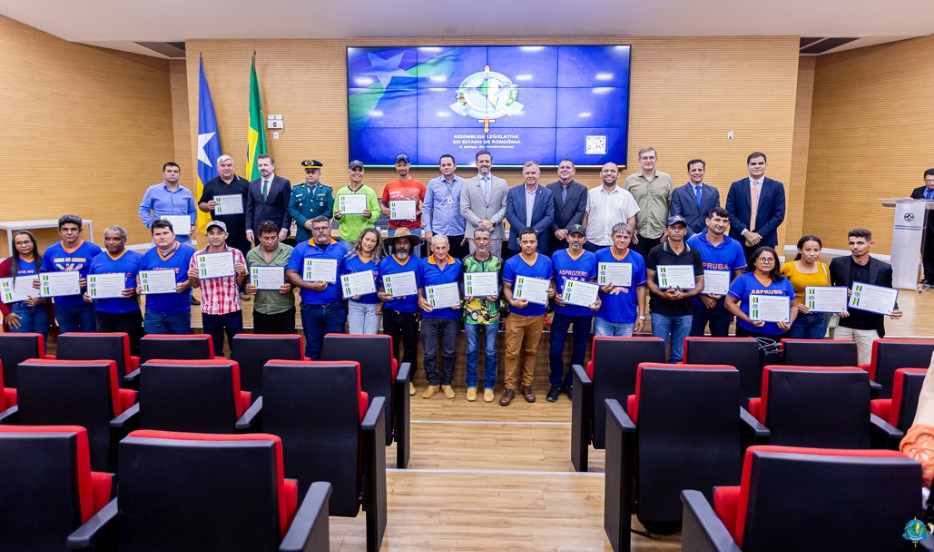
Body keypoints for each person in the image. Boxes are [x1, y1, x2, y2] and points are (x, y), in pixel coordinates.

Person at [830, 228, 903, 364]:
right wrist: (840, 292)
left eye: (860, 243)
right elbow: (829, 287)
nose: (855, 247)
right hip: (842, 324)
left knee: (869, 365)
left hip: (870, 325)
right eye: (851, 243)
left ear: (871, 243)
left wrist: (894, 309)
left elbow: (888, 290)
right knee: (838, 363)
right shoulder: (837, 263)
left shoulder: (883, 268)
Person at [501, 228, 555, 406]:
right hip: (516, 315)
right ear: (520, 243)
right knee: (511, 353)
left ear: (537, 242)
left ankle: (527, 385)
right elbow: (507, 288)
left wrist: (551, 292)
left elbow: (549, 285)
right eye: (525, 242)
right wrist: (513, 302)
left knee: (531, 352)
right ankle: (509, 388)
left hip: (537, 315)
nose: (529, 245)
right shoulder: (511, 263)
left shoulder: (546, 262)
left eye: (532, 242)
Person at [549, 224, 600, 402]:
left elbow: (593, 282)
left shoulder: (592, 257)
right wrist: (554, 294)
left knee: (579, 351)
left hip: (583, 312)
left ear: (585, 240)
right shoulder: (557, 255)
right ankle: (555, 383)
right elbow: (552, 279)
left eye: (580, 237)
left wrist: (596, 299)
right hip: (562, 310)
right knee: (555, 350)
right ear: (567, 238)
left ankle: (571, 383)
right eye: (573, 236)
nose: (576, 240)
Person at [286, 216, 348, 360]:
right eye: (317, 228)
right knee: (313, 348)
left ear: (330, 229)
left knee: (334, 349)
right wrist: (310, 286)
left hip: (335, 308)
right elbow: (290, 273)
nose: (321, 231)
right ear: (312, 230)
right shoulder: (301, 248)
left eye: (324, 228)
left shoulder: (341, 249)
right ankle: (313, 381)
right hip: (310, 308)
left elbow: (346, 275)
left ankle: (333, 382)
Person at [645, 215, 704, 363]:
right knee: (657, 353)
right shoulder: (656, 252)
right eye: (673, 228)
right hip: (660, 310)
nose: (677, 231)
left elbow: (700, 284)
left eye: (680, 228)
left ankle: (674, 385)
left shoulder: (694, 254)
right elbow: (649, 281)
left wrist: (684, 295)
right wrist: (663, 294)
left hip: (685, 311)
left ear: (685, 231)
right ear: (667, 230)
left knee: (679, 355)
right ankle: (656, 383)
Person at [188, 221, 247, 357]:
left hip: (232, 309)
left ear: (226, 235)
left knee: (238, 350)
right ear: (207, 235)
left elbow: (239, 283)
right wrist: (191, 276)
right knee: (214, 353)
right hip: (209, 311)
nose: (215, 236)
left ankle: (238, 376)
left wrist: (243, 273)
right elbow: (195, 285)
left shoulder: (236, 254)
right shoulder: (197, 257)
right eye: (212, 233)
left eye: (219, 233)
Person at [686, 207, 747, 337]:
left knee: (720, 343)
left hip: (723, 305)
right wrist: (702, 295)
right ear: (707, 221)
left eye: (725, 221)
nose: (721, 224)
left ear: (728, 224)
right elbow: (686, 273)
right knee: (693, 341)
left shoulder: (735, 246)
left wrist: (726, 293)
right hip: (696, 303)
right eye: (717, 220)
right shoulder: (692, 242)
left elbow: (739, 274)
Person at [38, 214, 103, 333]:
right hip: (61, 305)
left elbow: (100, 275)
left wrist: (88, 283)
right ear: (59, 231)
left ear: (80, 230)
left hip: (86, 304)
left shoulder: (93, 250)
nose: (69, 233)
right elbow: (45, 275)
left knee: (90, 338)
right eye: (65, 229)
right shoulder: (51, 251)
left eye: (73, 229)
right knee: (69, 339)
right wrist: (40, 283)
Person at [84, 226, 144, 354]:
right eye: (107, 239)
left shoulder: (138, 258)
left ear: (124, 239)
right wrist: (87, 295)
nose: (111, 242)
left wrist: (135, 290)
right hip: (103, 313)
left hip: (129, 312)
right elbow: (91, 286)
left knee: (133, 349)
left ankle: (133, 374)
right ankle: (110, 374)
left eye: (116, 239)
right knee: (106, 349)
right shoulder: (96, 260)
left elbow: (144, 285)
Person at [378, 228, 423, 395]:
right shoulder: (385, 263)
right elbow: (381, 286)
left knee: (410, 348)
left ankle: (408, 380)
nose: (402, 246)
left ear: (410, 245)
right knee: (392, 347)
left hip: (410, 311)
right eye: (399, 243)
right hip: (390, 311)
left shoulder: (418, 262)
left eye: (405, 243)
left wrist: (420, 306)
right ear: (394, 245)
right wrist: (381, 295)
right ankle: (393, 378)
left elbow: (420, 287)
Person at [460, 225, 502, 403]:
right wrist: (464, 293)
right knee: (471, 350)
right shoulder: (466, 261)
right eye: (479, 239)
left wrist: (497, 293)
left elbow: (502, 284)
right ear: (473, 240)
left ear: (491, 241)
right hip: (471, 313)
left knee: (491, 351)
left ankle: (489, 386)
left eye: (485, 239)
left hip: (492, 313)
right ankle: (471, 384)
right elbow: (460, 283)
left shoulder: (498, 262)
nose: (482, 242)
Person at [417, 235, 462, 399]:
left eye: (444, 247)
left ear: (449, 247)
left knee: (449, 352)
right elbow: (419, 286)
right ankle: (433, 383)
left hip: (451, 315)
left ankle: (447, 383)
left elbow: (462, 286)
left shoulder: (456, 263)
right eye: (437, 248)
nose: (441, 251)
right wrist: (420, 299)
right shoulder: (423, 264)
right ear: (431, 248)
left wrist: (460, 300)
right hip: (429, 315)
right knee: (429, 353)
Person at [725, 246, 797, 339]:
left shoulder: (783, 281)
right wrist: (749, 320)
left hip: (778, 333)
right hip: (748, 330)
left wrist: (789, 323)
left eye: (770, 259)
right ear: (755, 262)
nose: (766, 262)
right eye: (762, 259)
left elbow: (794, 306)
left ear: (775, 262)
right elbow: (728, 303)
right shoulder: (744, 279)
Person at [137, 220, 196, 334]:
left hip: (179, 312)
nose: (162, 237)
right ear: (153, 237)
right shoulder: (147, 255)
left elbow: (196, 281)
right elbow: (140, 276)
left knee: (180, 347)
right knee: (156, 348)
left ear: (173, 234)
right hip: (153, 312)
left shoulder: (188, 252)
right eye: (157, 234)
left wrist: (186, 284)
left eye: (165, 233)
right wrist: (139, 286)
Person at [726, 152, 786, 261]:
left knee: (763, 274)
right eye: (753, 164)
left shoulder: (777, 186)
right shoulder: (736, 186)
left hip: (766, 239)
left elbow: (778, 215)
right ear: (748, 166)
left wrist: (757, 235)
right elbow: (730, 213)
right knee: (738, 274)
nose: (757, 166)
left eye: (760, 163)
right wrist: (746, 233)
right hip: (739, 239)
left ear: (766, 164)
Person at [594, 222, 647, 336]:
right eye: (618, 236)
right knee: (602, 352)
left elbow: (640, 287)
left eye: (626, 237)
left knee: (623, 353)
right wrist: (601, 289)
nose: (622, 240)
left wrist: (641, 315)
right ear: (612, 236)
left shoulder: (638, 258)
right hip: (604, 315)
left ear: (630, 238)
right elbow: (592, 281)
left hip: (627, 316)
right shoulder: (599, 255)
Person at [244, 220, 296, 334]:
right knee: (262, 348)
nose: (270, 242)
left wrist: (290, 286)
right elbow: (249, 277)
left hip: (284, 308)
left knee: (286, 348)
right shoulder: (251, 254)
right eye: (266, 238)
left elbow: (296, 275)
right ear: (259, 237)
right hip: (261, 309)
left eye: (273, 237)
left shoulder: (290, 251)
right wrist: (248, 286)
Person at [780, 235, 834, 339]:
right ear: (800, 250)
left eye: (816, 250)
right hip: (795, 317)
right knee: (794, 350)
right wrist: (794, 305)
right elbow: (778, 292)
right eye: (808, 250)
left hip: (818, 318)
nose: (812, 253)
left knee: (814, 351)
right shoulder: (787, 267)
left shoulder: (824, 267)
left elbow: (829, 290)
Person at [198, 154, 251, 258]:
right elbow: (201, 204)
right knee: (223, 259)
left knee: (242, 260)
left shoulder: (245, 184)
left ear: (233, 167)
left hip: (242, 232)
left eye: (229, 165)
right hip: (219, 233)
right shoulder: (210, 185)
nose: (226, 168)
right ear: (218, 168)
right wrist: (207, 206)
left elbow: (252, 205)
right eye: (223, 165)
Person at [625, 147, 673, 258]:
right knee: (639, 269)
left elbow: (671, 205)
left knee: (658, 269)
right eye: (644, 158)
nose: (648, 160)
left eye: (651, 157)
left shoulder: (666, 179)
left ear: (656, 159)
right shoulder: (630, 180)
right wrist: (630, 230)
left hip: (661, 234)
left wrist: (669, 229)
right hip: (637, 234)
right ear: (639, 160)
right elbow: (626, 207)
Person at [0, 230, 49, 338]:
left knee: (41, 344)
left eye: (27, 241)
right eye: (19, 243)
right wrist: (7, 313)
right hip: (18, 310)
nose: (23, 245)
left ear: (33, 243)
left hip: (40, 309)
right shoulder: (6, 264)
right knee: (21, 345)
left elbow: (53, 285)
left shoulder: (44, 261)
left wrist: (43, 299)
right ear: (14, 246)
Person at [460, 150, 509, 258]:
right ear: (477, 164)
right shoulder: (467, 184)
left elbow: (505, 206)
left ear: (491, 163)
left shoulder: (502, 183)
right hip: (474, 233)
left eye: (487, 161)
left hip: (495, 233)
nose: (484, 163)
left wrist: (491, 222)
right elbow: (464, 209)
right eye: (481, 161)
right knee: (474, 266)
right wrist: (482, 224)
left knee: (495, 266)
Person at [583, 162, 639, 252]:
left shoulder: (626, 195)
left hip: (616, 244)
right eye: (606, 171)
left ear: (618, 175)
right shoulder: (591, 194)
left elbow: (631, 219)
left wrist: (628, 237)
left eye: (613, 171)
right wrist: (583, 236)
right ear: (601, 174)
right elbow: (585, 217)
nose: (609, 173)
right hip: (592, 242)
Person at [139, 162, 197, 245]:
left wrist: (191, 224)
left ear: (179, 174)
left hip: (183, 239)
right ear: (163, 174)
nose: (172, 174)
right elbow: (143, 209)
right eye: (169, 171)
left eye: (175, 171)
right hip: (161, 238)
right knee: (159, 258)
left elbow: (192, 211)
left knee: (186, 258)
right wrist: (151, 224)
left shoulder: (187, 192)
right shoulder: (152, 190)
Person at [424, 154, 468, 260]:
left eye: (449, 164)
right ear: (440, 168)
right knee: (438, 263)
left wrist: (468, 230)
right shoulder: (433, 184)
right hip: (438, 232)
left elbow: (468, 208)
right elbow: (427, 207)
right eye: (443, 165)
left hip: (459, 232)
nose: (446, 167)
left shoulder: (464, 183)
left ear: (455, 166)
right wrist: (427, 230)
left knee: (458, 263)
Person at [505, 161, 555, 255]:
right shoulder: (513, 192)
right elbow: (509, 214)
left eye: (533, 173)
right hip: (517, 240)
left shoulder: (547, 193)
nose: (530, 175)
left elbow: (549, 216)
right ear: (523, 174)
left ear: (539, 174)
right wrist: (524, 233)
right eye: (527, 173)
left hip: (540, 240)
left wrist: (533, 233)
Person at [381, 153, 426, 256]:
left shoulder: (419, 185)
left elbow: (428, 205)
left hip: (414, 229)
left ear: (409, 165)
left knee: (415, 260)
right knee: (394, 260)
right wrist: (383, 209)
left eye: (404, 165)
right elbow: (382, 204)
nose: (402, 168)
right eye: (399, 165)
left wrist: (418, 212)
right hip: (394, 229)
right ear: (395, 166)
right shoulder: (389, 186)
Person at [342, 227, 384, 335]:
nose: (369, 243)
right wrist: (350, 294)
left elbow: (384, 284)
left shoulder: (381, 261)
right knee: (356, 340)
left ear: (377, 243)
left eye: (373, 241)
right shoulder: (349, 259)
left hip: (374, 305)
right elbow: (344, 283)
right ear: (361, 239)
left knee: (370, 340)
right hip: (355, 304)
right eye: (367, 239)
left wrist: (382, 302)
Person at [334, 160, 380, 250]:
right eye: (354, 170)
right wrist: (338, 217)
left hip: (366, 237)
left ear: (363, 172)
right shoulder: (341, 192)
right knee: (348, 263)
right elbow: (336, 215)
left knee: (366, 263)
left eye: (360, 170)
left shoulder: (370, 192)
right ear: (349, 172)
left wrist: (370, 215)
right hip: (346, 237)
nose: (357, 173)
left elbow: (377, 212)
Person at [246, 154, 291, 246]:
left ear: (273, 166)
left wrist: (285, 228)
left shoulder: (283, 183)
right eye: (260, 165)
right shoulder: (252, 184)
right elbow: (250, 209)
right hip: (258, 229)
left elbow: (287, 208)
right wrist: (248, 229)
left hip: (278, 229)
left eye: (266, 165)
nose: (263, 168)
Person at [670, 159, 722, 236]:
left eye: (700, 170)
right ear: (688, 173)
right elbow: (677, 216)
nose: (697, 173)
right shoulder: (678, 192)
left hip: (708, 235)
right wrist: (691, 235)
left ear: (704, 172)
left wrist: (704, 233)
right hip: (686, 237)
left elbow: (715, 215)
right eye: (693, 170)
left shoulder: (713, 192)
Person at [546, 159, 587, 255]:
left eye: (568, 167)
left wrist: (566, 230)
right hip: (552, 235)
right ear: (558, 171)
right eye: (562, 167)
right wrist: (556, 229)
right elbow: (548, 211)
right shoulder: (549, 188)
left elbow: (580, 212)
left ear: (573, 171)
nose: (565, 169)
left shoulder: (582, 189)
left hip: (572, 236)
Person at [288, 159, 334, 244]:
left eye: (313, 172)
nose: (310, 175)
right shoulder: (296, 189)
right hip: (303, 233)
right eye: (308, 172)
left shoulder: (326, 190)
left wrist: (317, 222)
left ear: (319, 174)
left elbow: (330, 210)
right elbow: (291, 208)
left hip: (322, 233)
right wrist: (304, 221)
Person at [910, 168, 934, 285]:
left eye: (933, 180)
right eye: (928, 180)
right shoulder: (917, 191)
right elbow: (910, 207)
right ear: (924, 180)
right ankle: (928, 277)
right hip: (921, 229)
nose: (931, 183)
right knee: (926, 254)